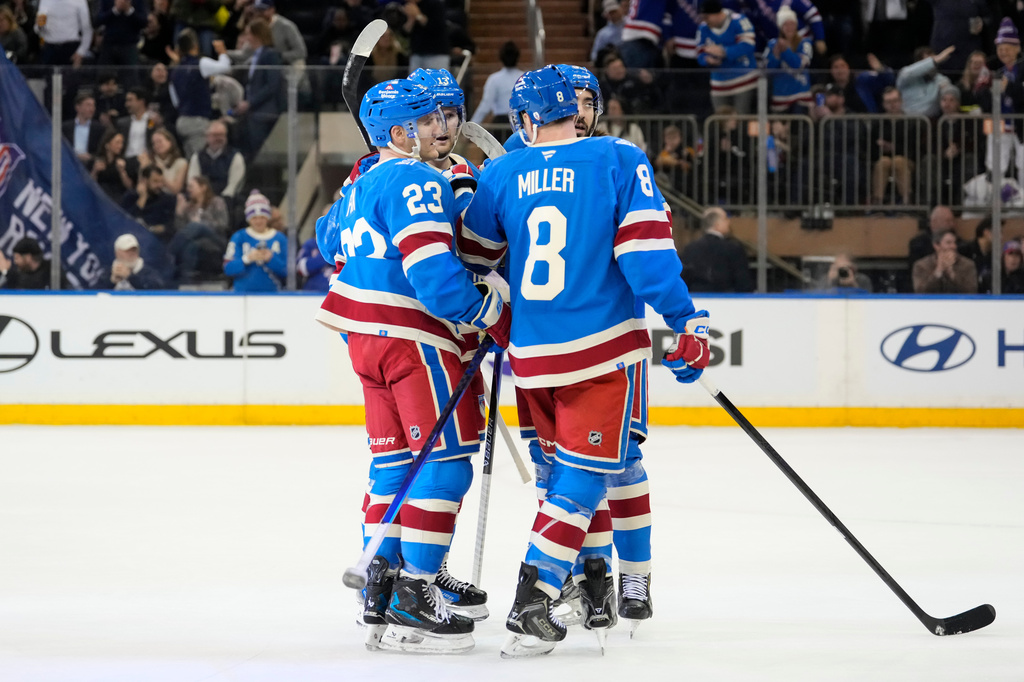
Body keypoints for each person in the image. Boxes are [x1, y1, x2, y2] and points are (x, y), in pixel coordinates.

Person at [459, 66, 709, 658]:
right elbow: (647, 259)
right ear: (579, 110)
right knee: (585, 478)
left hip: (532, 361)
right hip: (600, 353)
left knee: (569, 477)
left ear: (524, 119)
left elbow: (473, 256)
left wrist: (467, 191)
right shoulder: (620, 160)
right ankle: (537, 592)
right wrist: (686, 321)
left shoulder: (501, 172)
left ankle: (595, 586)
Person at [313, 79, 510, 654]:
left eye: (444, 117)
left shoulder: (358, 183)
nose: (440, 130)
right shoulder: (419, 176)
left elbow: (330, 245)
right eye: (426, 121)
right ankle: (414, 594)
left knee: (394, 464)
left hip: (363, 338)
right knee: (446, 462)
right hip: (414, 336)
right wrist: (490, 314)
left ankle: (382, 582)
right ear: (400, 132)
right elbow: (435, 276)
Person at [233, 19, 285, 160]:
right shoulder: (255, 56)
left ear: (257, 35)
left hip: (263, 112)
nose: (246, 38)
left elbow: (271, 85)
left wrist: (250, 103)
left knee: (259, 153)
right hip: (252, 112)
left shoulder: (270, 55)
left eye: (248, 34)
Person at [696, 0, 757, 114]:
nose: (704, 20)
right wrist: (707, 59)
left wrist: (724, 52)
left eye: (707, 17)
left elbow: (748, 45)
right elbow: (700, 51)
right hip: (719, 82)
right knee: (721, 122)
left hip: (743, 80)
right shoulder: (703, 28)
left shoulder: (739, 21)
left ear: (717, 13)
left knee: (740, 121)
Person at [223, 190, 288, 291]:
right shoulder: (239, 237)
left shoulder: (280, 239)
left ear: (268, 218)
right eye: (254, 218)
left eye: (262, 217)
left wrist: (271, 259)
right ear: (248, 219)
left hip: (273, 297)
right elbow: (228, 268)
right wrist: (247, 259)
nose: (258, 221)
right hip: (243, 296)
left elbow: (289, 272)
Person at [680, 207, 754, 292]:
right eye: (726, 218)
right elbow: (743, 282)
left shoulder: (691, 249)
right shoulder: (733, 249)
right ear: (717, 225)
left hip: (697, 299)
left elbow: (684, 279)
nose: (728, 222)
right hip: (727, 300)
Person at [764, 7, 813, 113]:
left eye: (792, 24)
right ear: (781, 27)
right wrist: (776, 56)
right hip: (780, 97)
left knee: (798, 127)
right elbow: (769, 69)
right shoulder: (772, 44)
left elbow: (798, 65)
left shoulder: (805, 43)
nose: (790, 27)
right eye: (786, 24)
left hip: (801, 96)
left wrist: (785, 51)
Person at [186, 120, 247, 203]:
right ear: (207, 137)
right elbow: (193, 180)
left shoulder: (236, 157)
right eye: (215, 135)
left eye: (222, 135)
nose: (218, 138)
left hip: (227, 199)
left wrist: (220, 201)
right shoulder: (197, 157)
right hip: (202, 199)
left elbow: (233, 186)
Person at [470, 41, 523, 124]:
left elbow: (485, 106)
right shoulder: (524, 78)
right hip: (520, 122)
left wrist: (471, 126)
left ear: (501, 57)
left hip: (502, 122)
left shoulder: (494, 79)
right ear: (517, 57)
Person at [121, 165, 177, 241]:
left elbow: (171, 227)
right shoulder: (130, 197)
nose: (159, 185)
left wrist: (160, 229)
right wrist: (142, 198)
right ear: (144, 181)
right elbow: (125, 222)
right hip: (131, 238)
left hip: (156, 240)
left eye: (161, 181)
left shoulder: (167, 199)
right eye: (155, 181)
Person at [912, 229, 979, 293]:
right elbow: (920, 291)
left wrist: (952, 274)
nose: (953, 246)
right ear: (936, 245)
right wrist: (938, 271)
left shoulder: (967, 265)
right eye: (948, 243)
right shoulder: (921, 265)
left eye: (955, 243)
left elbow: (972, 291)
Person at [895, 46, 954, 118]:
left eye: (934, 62)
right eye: (926, 63)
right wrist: (934, 60)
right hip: (908, 121)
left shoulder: (940, 79)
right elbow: (905, 73)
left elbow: (949, 93)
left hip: (931, 122)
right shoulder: (906, 78)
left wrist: (946, 91)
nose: (931, 66)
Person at [95, 233, 166, 290]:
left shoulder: (148, 272)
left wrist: (130, 277)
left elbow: (157, 289)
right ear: (117, 253)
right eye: (127, 251)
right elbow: (93, 294)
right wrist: (111, 282)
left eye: (134, 250)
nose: (131, 253)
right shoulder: (107, 273)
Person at [34, 0, 92, 67]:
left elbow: (87, 28)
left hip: (70, 49)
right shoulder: (44, 1)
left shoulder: (79, 1)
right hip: (49, 48)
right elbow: (38, 28)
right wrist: (40, 27)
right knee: (48, 76)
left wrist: (81, 52)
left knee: (70, 76)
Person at [94, 0, 147, 70]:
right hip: (109, 45)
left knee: (130, 77)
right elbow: (98, 20)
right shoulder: (106, 1)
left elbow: (143, 22)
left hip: (129, 46)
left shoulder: (138, 1)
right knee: (104, 77)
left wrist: (129, 10)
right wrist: (115, 10)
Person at [0, 238, 69, 289]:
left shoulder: (52, 269)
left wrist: (6, 272)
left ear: (28, 257)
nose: (15, 261)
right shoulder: (21, 273)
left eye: (17, 258)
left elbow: (31, 286)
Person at [90, 129, 139, 202]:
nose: (120, 146)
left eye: (121, 143)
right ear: (107, 145)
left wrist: (122, 172)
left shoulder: (124, 162)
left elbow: (130, 187)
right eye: (117, 142)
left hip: (118, 198)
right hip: (99, 197)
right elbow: (88, 184)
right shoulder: (95, 161)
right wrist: (95, 171)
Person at [62, 92, 108, 165]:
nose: (92, 109)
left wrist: (91, 157)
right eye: (88, 105)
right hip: (70, 163)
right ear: (78, 107)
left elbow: (101, 151)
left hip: (90, 164)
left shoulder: (99, 128)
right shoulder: (65, 127)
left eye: (93, 106)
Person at [147, 127, 188, 195]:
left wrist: (161, 171)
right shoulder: (150, 161)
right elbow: (142, 188)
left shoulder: (181, 163)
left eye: (159, 141)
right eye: (154, 143)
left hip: (171, 198)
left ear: (170, 142)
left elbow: (176, 190)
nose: (157, 145)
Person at [117, 87, 156, 159]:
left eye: (130, 100)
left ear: (141, 101)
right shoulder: (123, 123)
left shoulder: (151, 120)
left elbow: (153, 132)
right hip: (127, 160)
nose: (127, 104)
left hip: (146, 160)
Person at [591, 0, 626, 66]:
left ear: (620, 9)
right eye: (610, 13)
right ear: (606, 15)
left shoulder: (630, 26)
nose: (613, 15)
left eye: (614, 11)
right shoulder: (602, 34)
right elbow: (594, 56)